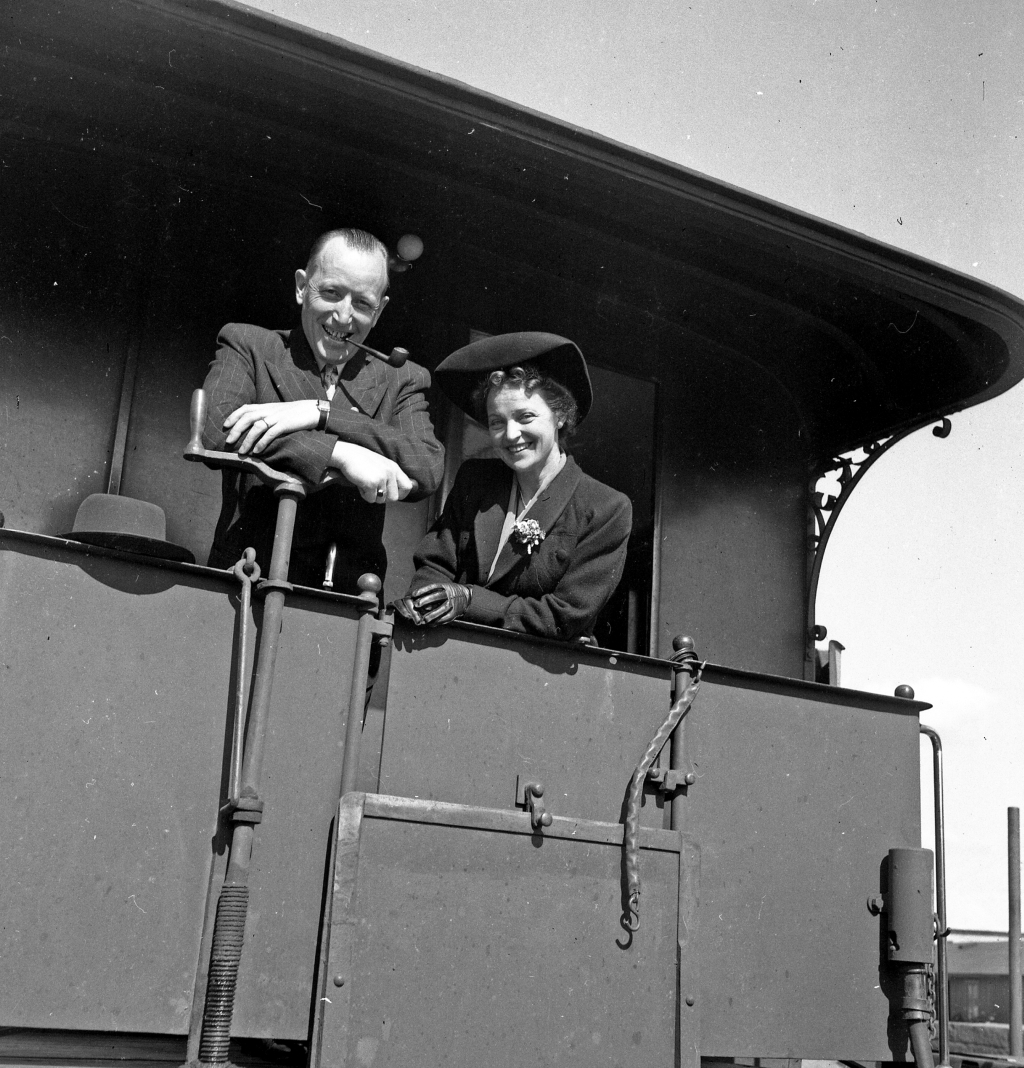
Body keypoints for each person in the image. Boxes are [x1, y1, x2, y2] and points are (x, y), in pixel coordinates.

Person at [202, 228, 445, 589]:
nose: (344, 316)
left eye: (362, 303)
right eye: (331, 293)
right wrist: (340, 454)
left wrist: (322, 413)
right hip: (244, 580)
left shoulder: (404, 378)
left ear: (379, 311)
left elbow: (427, 465)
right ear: (302, 287)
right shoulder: (249, 345)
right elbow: (218, 429)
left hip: (348, 596)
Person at [397, 332, 632, 641]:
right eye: (497, 422)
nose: (510, 434)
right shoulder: (475, 479)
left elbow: (565, 616)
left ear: (560, 415)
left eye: (526, 417)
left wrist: (471, 600)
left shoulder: (606, 507)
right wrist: (423, 601)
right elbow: (435, 565)